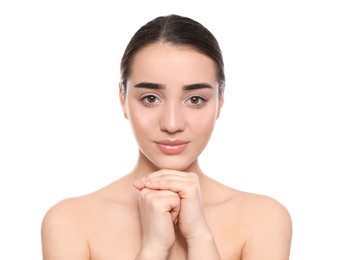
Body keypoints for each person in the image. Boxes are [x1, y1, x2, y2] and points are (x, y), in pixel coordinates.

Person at [41, 14, 292, 259]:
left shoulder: (264, 220)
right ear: (122, 98)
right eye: (150, 98)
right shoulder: (69, 223)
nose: (172, 124)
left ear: (221, 99)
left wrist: (200, 238)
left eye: (195, 99)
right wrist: (153, 248)